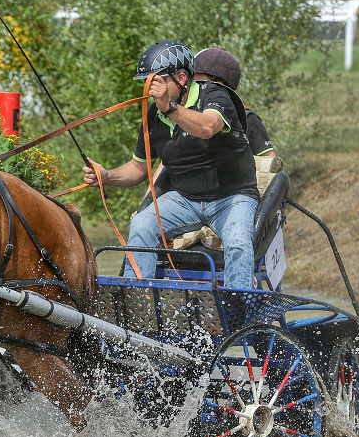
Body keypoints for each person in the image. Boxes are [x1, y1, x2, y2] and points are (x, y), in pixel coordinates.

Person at [82, 40, 259, 289]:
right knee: (141, 224)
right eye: (146, 83)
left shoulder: (216, 95)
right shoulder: (154, 115)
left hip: (233, 196)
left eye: (155, 82)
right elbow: (139, 168)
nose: (150, 91)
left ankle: (239, 311)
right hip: (184, 199)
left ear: (182, 78)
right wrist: (106, 175)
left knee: (239, 241)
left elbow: (208, 127)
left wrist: (170, 108)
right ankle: (138, 304)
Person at [193, 47, 275, 157]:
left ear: (218, 85)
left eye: (197, 82)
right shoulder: (188, 117)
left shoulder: (248, 120)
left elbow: (270, 164)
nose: (190, 87)